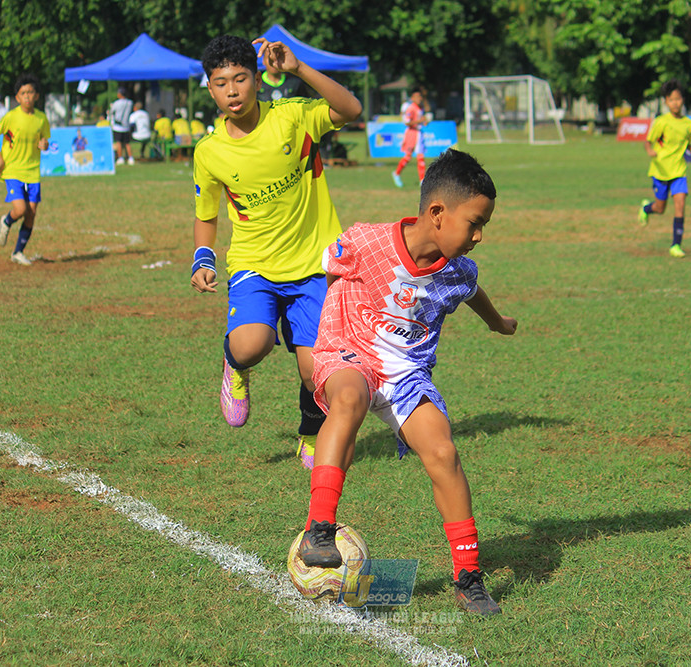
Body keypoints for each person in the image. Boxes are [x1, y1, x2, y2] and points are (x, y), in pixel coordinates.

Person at [295, 148, 516, 616]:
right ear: (437, 213)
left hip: (406, 372)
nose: (479, 235)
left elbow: (471, 292)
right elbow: (321, 275)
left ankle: (468, 576)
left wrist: (496, 323)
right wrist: (306, 339)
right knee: (350, 399)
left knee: (442, 450)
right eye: (474, 223)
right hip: (348, 346)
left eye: (484, 226)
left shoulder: (457, 271)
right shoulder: (364, 241)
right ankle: (319, 530)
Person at [190, 34, 361, 467]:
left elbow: (351, 110)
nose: (232, 90)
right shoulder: (209, 152)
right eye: (220, 82)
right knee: (251, 344)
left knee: (315, 371)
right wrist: (203, 257)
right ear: (209, 88)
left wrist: (300, 69)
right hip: (254, 265)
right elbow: (206, 212)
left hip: (313, 265)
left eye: (240, 79)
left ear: (257, 80)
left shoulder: (293, 117)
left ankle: (309, 431)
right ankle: (235, 366)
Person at [0, 73, 50, 266]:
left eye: (31, 92)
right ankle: (6, 222)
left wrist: (44, 145)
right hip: (13, 170)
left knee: (31, 214)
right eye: (23, 93)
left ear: (37, 96)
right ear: (17, 98)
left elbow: (46, 140)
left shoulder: (41, 119)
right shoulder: (11, 117)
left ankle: (18, 252)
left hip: (33, 172)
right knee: (20, 209)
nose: (27, 96)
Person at [637, 79, 691, 258]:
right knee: (660, 208)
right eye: (671, 100)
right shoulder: (660, 122)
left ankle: (675, 246)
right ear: (666, 101)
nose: (675, 103)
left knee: (680, 206)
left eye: (678, 99)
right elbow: (648, 142)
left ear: (682, 100)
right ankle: (646, 209)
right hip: (661, 171)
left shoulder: (688, 124)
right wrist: (650, 151)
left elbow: (688, 144)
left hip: (679, 171)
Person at [392, 88, 429, 188]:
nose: (419, 99)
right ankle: (396, 173)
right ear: (412, 98)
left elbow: (421, 120)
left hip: (419, 134)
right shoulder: (411, 108)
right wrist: (419, 121)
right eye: (417, 97)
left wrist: (424, 121)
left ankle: (422, 180)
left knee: (421, 157)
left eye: (420, 97)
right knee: (407, 157)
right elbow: (407, 122)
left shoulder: (420, 108)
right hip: (411, 134)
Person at [109, 87, 134, 165]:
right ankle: (130, 158)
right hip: (126, 125)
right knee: (127, 143)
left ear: (119, 94)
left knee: (118, 142)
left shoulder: (116, 103)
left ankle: (120, 158)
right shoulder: (130, 103)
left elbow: (112, 112)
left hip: (118, 126)